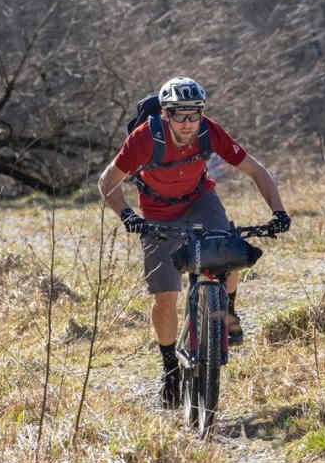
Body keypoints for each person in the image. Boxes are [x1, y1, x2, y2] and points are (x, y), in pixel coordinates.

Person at [98, 76, 290, 408]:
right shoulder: (145, 138)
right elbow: (107, 181)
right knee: (166, 296)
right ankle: (170, 369)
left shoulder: (208, 132)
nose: (188, 123)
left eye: (194, 114)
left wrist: (279, 211)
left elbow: (256, 170)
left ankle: (226, 313)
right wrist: (128, 215)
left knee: (228, 247)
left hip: (199, 200)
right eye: (179, 115)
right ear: (165, 114)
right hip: (157, 213)